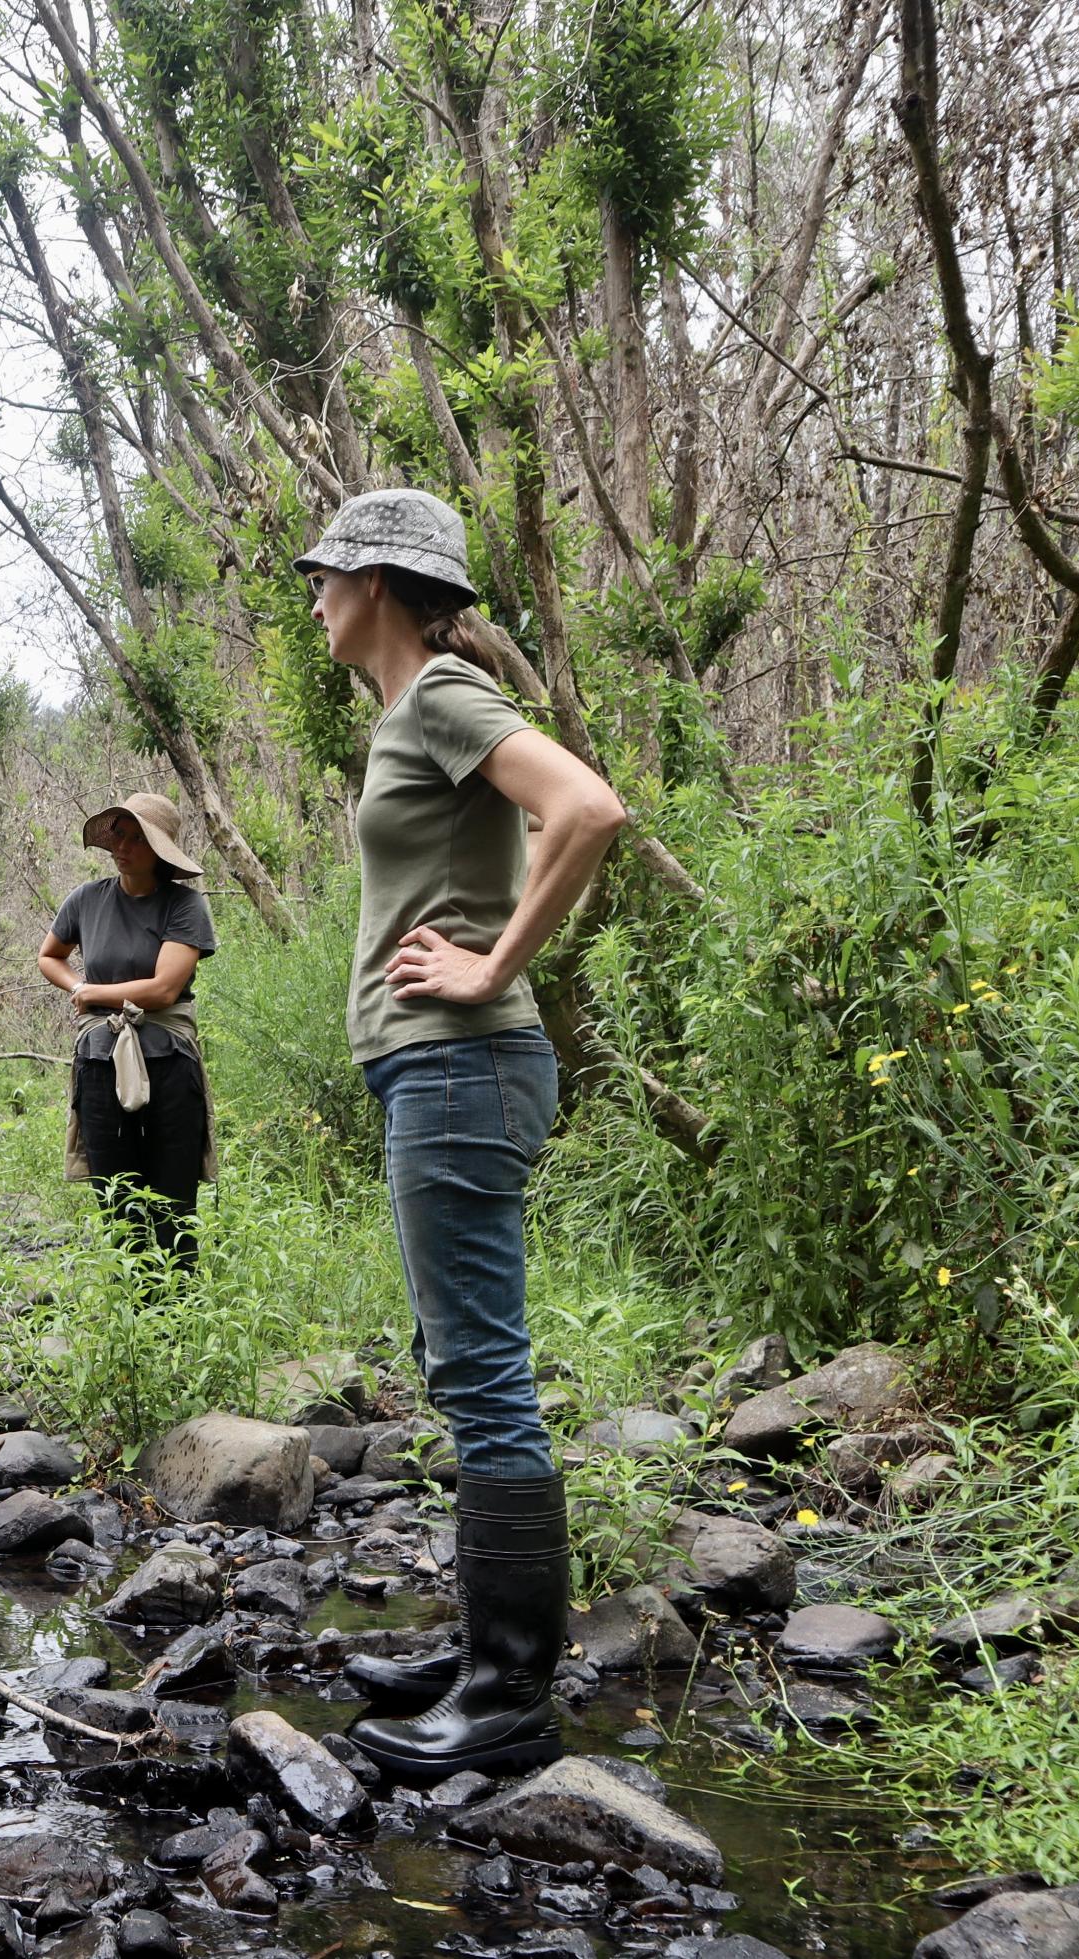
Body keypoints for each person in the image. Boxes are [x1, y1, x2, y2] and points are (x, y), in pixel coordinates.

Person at [294, 489, 629, 1782]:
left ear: (377, 581)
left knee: (481, 1373)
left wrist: (491, 961)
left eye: (325, 572)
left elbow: (585, 808)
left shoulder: (435, 691)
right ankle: (486, 1655)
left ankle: (503, 1697)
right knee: (461, 1364)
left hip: (460, 1067)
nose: (312, 592)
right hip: (433, 1075)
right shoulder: (413, 708)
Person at [37, 793, 217, 1260]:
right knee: (116, 1196)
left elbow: (162, 991)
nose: (123, 846)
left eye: (138, 839)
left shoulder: (184, 906)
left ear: (159, 850)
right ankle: (133, 1312)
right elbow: (49, 956)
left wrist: (91, 993)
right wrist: (76, 982)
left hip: (169, 1062)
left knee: (173, 1197)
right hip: (100, 1060)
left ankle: (177, 1313)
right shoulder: (87, 899)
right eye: (120, 834)